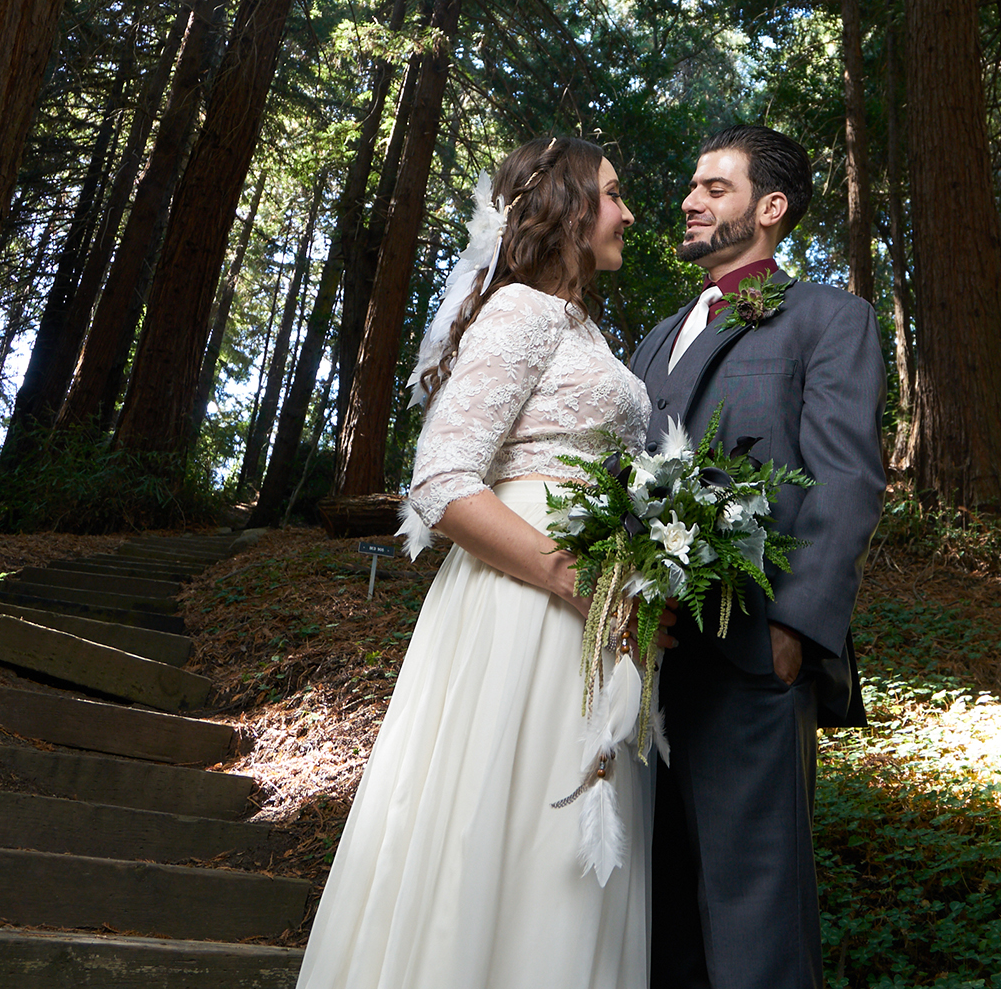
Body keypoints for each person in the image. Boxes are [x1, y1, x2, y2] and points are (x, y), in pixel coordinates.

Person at [294, 135, 653, 989]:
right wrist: (568, 572)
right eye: (611, 194)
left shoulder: (581, 328)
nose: (628, 212)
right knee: (507, 821)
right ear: (566, 207)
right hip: (525, 601)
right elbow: (443, 480)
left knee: (566, 842)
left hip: (588, 610)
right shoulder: (522, 310)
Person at [631, 123, 887, 989]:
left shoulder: (829, 318)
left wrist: (794, 631)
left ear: (770, 208)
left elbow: (845, 478)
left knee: (756, 922)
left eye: (715, 188)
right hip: (641, 671)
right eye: (693, 186)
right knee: (653, 920)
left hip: (753, 663)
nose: (690, 200)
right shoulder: (655, 335)